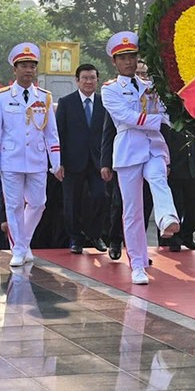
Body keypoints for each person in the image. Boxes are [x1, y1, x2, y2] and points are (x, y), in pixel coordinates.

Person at [100, 32, 181, 286]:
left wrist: (167, 118)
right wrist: (156, 120)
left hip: (154, 146)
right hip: (128, 150)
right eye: (123, 58)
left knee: (158, 177)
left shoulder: (150, 87)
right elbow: (125, 117)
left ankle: (167, 217)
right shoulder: (110, 90)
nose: (129, 62)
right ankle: (137, 263)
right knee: (133, 211)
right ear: (115, 62)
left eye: (132, 57)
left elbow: (166, 114)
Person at [0, 42, 62, 268]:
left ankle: (22, 242)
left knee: (39, 203)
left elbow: (51, 133)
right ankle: (18, 249)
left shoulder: (44, 97)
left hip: (37, 159)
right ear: (15, 69)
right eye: (24, 66)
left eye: (32, 66)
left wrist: (55, 161)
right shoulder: (1, 97)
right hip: (11, 159)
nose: (29, 70)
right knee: (14, 205)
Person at [55, 61, 111, 254]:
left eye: (92, 78)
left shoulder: (106, 102)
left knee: (100, 196)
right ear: (77, 81)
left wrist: (109, 160)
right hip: (72, 161)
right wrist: (58, 162)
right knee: (72, 202)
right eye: (85, 78)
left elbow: (111, 133)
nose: (89, 82)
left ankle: (95, 235)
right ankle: (75, 238)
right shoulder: (66, 102)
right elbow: (59, 133)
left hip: (99, 161)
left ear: (97, 80)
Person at [160, 122, 195, 251]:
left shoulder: (193, 117)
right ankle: (173, 239)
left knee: (193, 204)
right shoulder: (167, 118)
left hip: (192, 168)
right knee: (175, 203)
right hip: (174, 168)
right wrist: (166, 164)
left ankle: (187, 235)